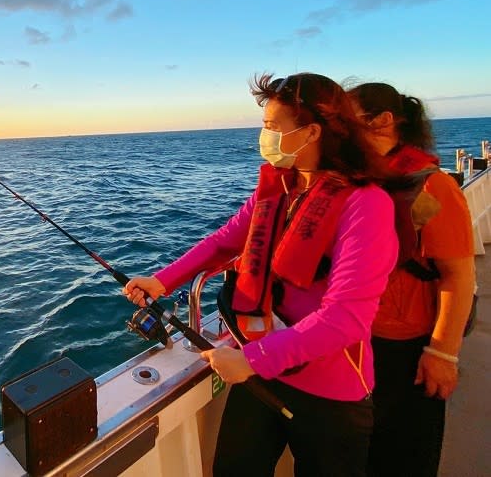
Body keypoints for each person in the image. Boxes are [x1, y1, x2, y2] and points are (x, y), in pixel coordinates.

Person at [125, 72, 398, 477]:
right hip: (261, 373)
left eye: (273, 127)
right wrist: (162, 281)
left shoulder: (366, 204)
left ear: (312, 132)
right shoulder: (278, 189)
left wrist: (253, 359)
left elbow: (347, 318)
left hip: (329, 392)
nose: (264, 135)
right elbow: (224, 241)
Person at [349, 82, 476, 477]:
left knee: (405, 455)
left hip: (407, 350)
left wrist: (442, 354)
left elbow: (458, 274)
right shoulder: (360, 181)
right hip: (360, 340)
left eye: (344, 122)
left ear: (383, 121)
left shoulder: (431, 186)